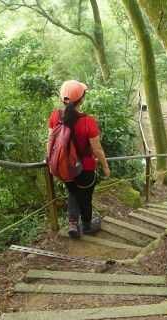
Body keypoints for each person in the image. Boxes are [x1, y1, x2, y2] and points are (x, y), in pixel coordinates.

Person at [49, 80, 111, 237]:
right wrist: (105, 166)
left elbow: (50, 140)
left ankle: (72, 224)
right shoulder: (88, 121)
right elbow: (97, 149)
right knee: (85, 196)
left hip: (64, 166)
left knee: (73, 192)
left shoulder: (56, 115)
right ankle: (88, 227)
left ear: (64, 99)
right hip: (86, 168)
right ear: (82, 99)